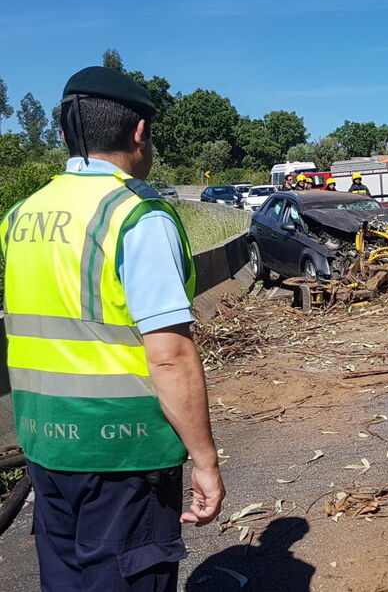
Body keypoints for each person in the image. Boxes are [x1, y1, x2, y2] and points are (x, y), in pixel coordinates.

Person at [0, 66, 225, 591]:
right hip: (123, 451)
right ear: (140, 131)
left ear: (61, 134)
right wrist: (206, 461)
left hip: (44, 443)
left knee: (66, 579)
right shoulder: (136, 216)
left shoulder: (21, 215)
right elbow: (168, 354)